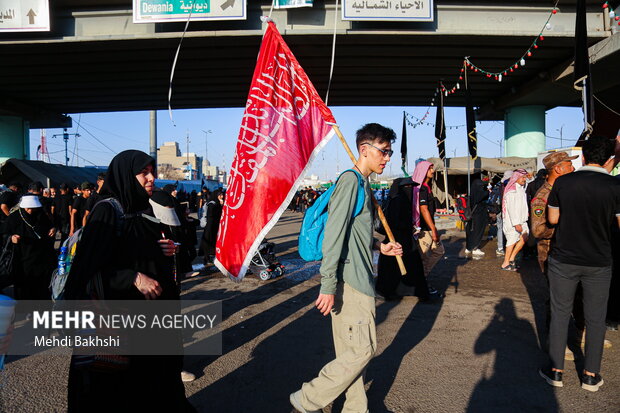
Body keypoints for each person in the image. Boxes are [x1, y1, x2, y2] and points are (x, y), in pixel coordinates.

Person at [64, 150, 195, 411]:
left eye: (152, 171)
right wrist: (132, 277)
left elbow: (139, 251)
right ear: (126, 175)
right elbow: (86, 271)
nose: (151, 178)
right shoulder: (107, 211)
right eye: (143, 172)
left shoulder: (143, 208)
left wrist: (165, 250)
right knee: (119, 391)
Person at [290, 123, 402, 413]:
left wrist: (380, 246)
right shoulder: (351, 181)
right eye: (384, 151)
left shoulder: (363, 183)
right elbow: (334, 236)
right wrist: (327, 286)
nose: (388, 158)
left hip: (357, 276)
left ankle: (355, 408)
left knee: (350, 351)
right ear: (364, 149)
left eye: (390, 152)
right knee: (363, 350)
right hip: (351, 281)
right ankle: (306, 400)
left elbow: (356, 233)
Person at [539, 136, 620, 392]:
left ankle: (555, 371)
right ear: (608, 159)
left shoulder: (563, 183)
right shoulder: (614, 186)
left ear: (583, 156)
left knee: (561, 312)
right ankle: (590, 375)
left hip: (564, 258)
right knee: (596, 317)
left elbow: (552, 219)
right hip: (599, 259)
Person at [376, 177, 435, 301]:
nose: (410, 189)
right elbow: (393, 222)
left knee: (412, 265)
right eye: (407, 187)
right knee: (393, 268)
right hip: (395, 240)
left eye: (411, 187)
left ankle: (414, 291)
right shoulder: (397, 200)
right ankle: (390, 291)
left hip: (405, 239)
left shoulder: (401, 199)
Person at [5, 195, 56, 300]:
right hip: (22, 256)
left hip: (40, 256)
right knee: (23, 284)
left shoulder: (41, 215)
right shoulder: (14, 217)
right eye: (27, 208)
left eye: (32, 208)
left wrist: (52, 229)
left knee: (41, 284)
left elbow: (49, 225)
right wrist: (11, 238)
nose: (30, 211)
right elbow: (4, 233)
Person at [412, 161, 445, 278]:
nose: (433, 171)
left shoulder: (427, 188)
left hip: (429, 228)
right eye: (430, 169)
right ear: (424, 171)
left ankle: (422, 277)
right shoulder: (421, 189)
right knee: (424, 258)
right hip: (424, 230)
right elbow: (424, 210)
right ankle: (422, 281)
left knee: (439, 251)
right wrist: (433, 229)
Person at [500, 169, 529, 271]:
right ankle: (505, 263)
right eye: (522, 177)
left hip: (522, 220)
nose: (524, 179)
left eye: (525, 177)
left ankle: (511, 258)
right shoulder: (511, 192)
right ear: (516, 178)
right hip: (512, 222)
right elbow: (512, 209)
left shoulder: (521, 189)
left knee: (524, 238)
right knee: (511, 242)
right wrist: (516, 223)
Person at [465, 176, 490, 257]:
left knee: (470, 232)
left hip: (472, 216)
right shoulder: (480, 193)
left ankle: (469, 248)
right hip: (479, 216)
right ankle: (475, 248)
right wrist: (488, 190)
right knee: (478, 232)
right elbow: (485, 194)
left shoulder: (472, 193)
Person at [201, 189, 224, 265]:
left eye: (222, 195)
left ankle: (210, 257)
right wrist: (221, 206)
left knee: (213, 241)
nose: (222, 196)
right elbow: (212, 215)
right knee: (208, 241)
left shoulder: (216, 203)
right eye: (220, 195)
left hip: (214, 225)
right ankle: (206, 258)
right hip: (210, 226)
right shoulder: (212, 204)